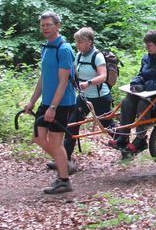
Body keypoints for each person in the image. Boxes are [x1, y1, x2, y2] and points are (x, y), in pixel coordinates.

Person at [46, 27, 113, 174]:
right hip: (83, 98)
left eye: (80, 42)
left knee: (108, 124)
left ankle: (124, 146)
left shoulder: (98, 56)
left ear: (89, 42)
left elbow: (103, 77)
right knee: (72, 125)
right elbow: (74, 72)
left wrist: (88, 83)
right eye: (76, 41)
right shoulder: (79, 55)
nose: (77, 44)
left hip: (100, 98)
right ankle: (65, 159)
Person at [24, 12, 76, 194]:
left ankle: (64, 180)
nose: (45, 28)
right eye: (42, 25)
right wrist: (32, 101)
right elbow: (43, 78)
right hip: (47, 101)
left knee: (55, 141)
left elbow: (63, 82)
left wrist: (53, 107)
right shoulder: (46, 47)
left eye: (48, 25)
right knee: (38, 137)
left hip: (62, 102)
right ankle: (64, 163)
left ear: (58, 26)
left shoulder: (64, 49)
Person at [109, 30, 156, 156]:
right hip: (150, 92)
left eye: (149, 45)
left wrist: (144, 87)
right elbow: (142, 74)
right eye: (146, 45)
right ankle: (123, 136)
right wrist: (135, 83)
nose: (146, 48)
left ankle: (140, 139)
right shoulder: (148, 57)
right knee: (127, 101)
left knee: (143, 104)